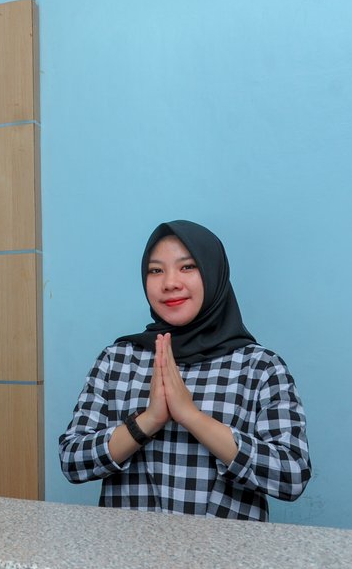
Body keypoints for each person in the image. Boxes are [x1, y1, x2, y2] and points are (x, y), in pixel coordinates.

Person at [59, 220, 310, 520]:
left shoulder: (260, 367)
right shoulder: (117, 360)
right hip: (127, 548)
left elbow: (292, 476)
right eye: (156, 270)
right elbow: (72, 461)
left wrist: (191, 416)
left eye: (187, 267)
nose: (170, 283)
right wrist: (148, 421)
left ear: (213, 273)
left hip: (226, 550)